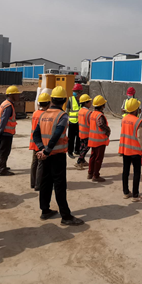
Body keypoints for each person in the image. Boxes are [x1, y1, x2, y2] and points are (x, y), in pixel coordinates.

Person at [32, 86, 84, 226]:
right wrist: (47, 151)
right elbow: (56, 135)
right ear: (64, 100)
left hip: (46, 155)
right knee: (59, 185)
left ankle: (45, 210)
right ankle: (65, 216)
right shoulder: (62, 116)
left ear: (52, 100)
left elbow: (36, 134)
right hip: (57, 156)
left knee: (45, 183)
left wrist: (42, 149)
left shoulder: (43, 114)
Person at [119, 98, 142, 202]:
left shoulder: (124, 119)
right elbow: (139, 136)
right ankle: (135, 195)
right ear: (135, 110)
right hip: (135, 150)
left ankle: (126, 192)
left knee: (125, 171)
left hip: (125, 149)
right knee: (136, 172)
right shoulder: (139, 121)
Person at [0, 85, 21, 176]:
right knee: (4, 151)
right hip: (6, 132)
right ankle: (2, 169)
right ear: (11, 95)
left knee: (1, 150)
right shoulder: (8, 106)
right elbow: (4, 120)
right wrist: (0, 131)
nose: (18, 96)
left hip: (4, 132)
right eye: (16, 94)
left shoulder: (4, 103)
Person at [29, 92, 50, 191]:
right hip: (41, 143)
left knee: (34, 162)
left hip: (34, 142)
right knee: (41, 163)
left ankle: (33, 183)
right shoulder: (45, 115)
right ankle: (38, 184)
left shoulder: (35, 113)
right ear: (48, 104)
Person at [87, 95, 110, 182]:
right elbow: (100, 124)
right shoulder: (100, 115)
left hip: (93, 140)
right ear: (102, 106)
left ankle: (90, 173)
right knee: (98, 158)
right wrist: (108, 130)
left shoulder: (92, 114)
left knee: (93, 157)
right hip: (100, 141)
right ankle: (95, 175)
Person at [75, 94, 92, 170]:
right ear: (85, 103)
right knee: (86, 148)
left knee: (82, 147)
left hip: (81, 132)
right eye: (89, 101)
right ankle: (79, 162)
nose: (90, 103)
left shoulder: (80, 111)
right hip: (87, 133)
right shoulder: (88, 112)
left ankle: (83, 161)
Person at [67, 84, 83, 159]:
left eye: (75, 91)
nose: (74, 92)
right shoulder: (70, 99)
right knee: (71, 138)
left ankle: (77, 150)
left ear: (80, 92)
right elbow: (67, 111)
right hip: (72, 122)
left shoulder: (82, 100)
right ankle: (70, 151)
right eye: (74, 91)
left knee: (79, 137)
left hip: (80, 122)